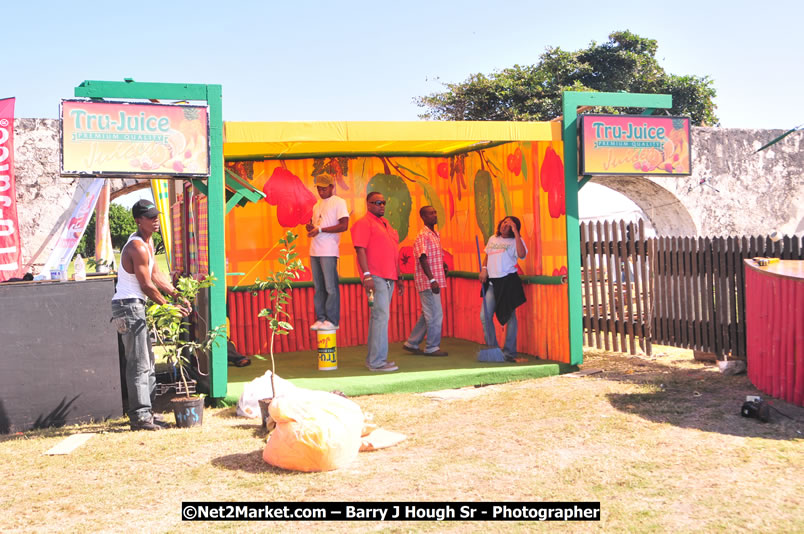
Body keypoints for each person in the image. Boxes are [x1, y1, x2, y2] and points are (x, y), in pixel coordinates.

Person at [111, 200, 189, 431]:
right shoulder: (137, 247)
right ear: (138, 220)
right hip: (128, 307)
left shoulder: (149, 242)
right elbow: (145, 285)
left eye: (157, 216)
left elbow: (156, 274)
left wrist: (176, 294)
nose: (156, 221)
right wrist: (168, 306)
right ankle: (140, 417)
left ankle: (148, 413)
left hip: (135, 306)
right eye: (150, 217)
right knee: (139, 364)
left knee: (148, 363)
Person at [351, 192, 404, 372]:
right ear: (368, 204)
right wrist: (367, 275)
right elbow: (360, 249)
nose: (381, 205)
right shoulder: (364, 223)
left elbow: (394, 252)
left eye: (383, 202)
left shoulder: (386, 224)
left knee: (379, 317)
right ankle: (377, 362)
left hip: (389, 276)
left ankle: (374, 360)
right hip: (375, 276)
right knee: (381, 317)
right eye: (377, 202)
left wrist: (399, 276)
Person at [479, 216, 528, 362]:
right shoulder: (493, 239)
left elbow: (522, 254)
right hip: (492, 282)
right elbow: (487, 256)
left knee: (510, 316)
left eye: (509, 224)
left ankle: (509, 352)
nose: (504, 225)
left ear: (514, 228)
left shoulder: (516, 241)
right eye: (504, 222)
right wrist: (484, 269)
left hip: (508, 282)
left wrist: (516, 233)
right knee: (485, 316)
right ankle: (493, 350)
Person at [305, 173, 349, 331]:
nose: (321, 192)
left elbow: (344, 225)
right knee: (319, 287)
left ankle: (332, 319)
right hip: (314, 249)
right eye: (319, 189)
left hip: (329, 250)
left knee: (330, 287)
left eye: (324, 189)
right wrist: (311, 228)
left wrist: (320, 230)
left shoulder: (339, 202)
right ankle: (321, 318)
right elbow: (318, 225)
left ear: (332, 187)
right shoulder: (316, 205)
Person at [403, 206, 449, 356]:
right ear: (423, 217)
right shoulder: (423, 235)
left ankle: (412, 342)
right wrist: (432, 279)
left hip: (434, 279)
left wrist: (443, 265)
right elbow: (423, 258)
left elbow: (433, 256)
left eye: (435, 212)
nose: (435, 215)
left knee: (428, 313)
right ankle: (432, 347)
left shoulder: (435, 234)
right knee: (435, 314)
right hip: (428, 282)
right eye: (431, 213)